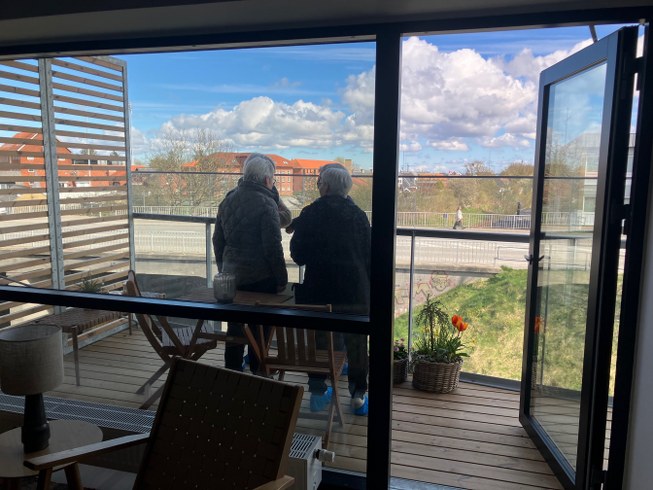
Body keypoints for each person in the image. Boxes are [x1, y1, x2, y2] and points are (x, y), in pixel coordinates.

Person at [288, 163, 371, 416]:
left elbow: (298, 255)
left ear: (324, 186)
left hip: (319, 289)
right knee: (357, 340)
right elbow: (369, 255)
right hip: (354, 290)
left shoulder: (310, 214)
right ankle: (358, 395)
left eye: (319, 182)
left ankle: (317, 391)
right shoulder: (358, 216)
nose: (317, 185)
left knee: (320, 337)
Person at [213, 153, 289, 374]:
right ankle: (258, 373)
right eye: (273, 179)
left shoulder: (228, 199)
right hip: (260, 278)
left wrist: (223, 270)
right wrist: (281, 279)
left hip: (233, 277)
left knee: (235, 328)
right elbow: (272, 247)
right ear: (267, 179)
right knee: (260, 330)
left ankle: (232, 372)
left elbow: (217, 239)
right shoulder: (267, 204)